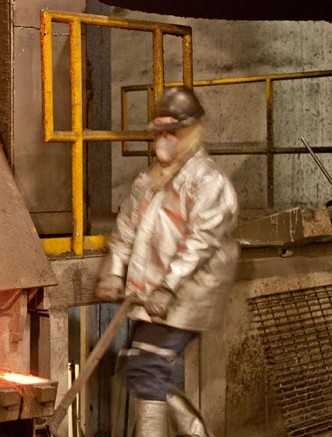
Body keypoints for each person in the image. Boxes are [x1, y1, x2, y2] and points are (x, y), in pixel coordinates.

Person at [95, 86, 239, 436]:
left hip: (188, 295)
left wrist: (167, 287)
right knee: (137, 366)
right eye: (160, 131)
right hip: (152, 296)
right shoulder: (149, 180)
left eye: (171, 131)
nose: (164, 138)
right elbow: (126, 229)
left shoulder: (209, 182)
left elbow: (200, 243)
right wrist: (114, 271)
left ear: (192, 130)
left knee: (147, 368)